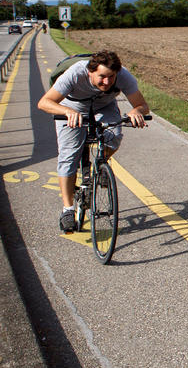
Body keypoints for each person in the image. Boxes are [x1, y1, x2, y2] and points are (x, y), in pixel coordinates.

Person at [37, 50, 149, 232]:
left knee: (114, 136)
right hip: (72, 106)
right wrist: (67, 111)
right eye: (102, 77)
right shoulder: (75, 73)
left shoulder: (123, 75)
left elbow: (142, 105)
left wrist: (136, 111)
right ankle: (68, 209)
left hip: (104, 106)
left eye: (111, 77)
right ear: (90, 71)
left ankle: (100, 164)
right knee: (69, 156)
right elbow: (44, 103)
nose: (106, 82)